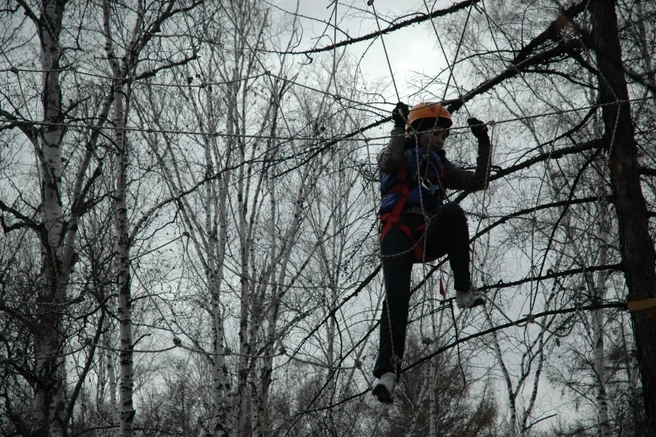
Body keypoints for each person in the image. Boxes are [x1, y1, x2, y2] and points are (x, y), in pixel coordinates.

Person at [371, 101, 492, 404]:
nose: (440, 140)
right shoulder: (395, 153)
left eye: (444, 136)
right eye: (436, 134)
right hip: (397, 231)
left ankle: (463, 289)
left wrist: (484, 143)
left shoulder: (440, 165)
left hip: (426, 234)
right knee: (397, 297)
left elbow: (479, 181)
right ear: (420, 131)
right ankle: (386, 373)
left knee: (453, 211)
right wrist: (399, 126)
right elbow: (389, 163)